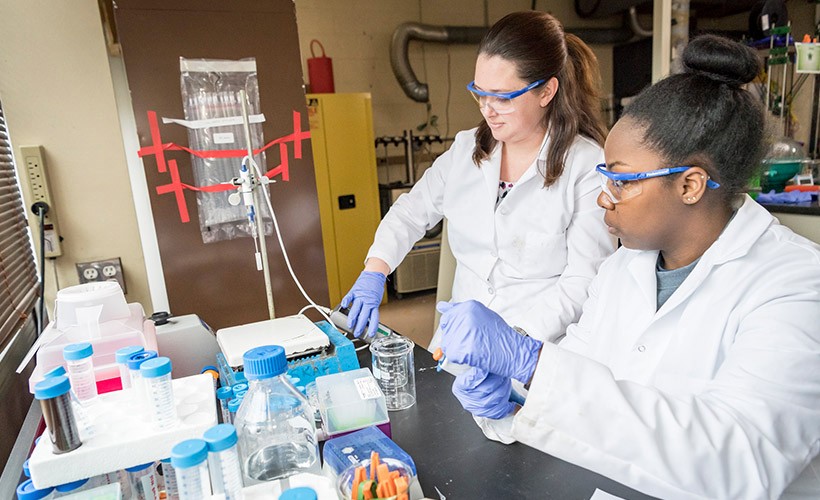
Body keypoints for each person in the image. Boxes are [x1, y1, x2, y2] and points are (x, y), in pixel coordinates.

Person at [437, 35, 820, 499]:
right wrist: (516, 397)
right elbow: (580, 375)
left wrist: (532, 361)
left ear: (691, 185)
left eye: (621, 180)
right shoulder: (625, 268)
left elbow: (741, 461)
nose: (604, 196)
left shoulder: (796, 286)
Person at [341, 11, 614, 346]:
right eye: (480, 93)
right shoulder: (465, 150)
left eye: (503, 97)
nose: (487, 109)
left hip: (536, 347)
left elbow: (583, 279)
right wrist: (375, 270)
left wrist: (512, 341)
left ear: (546, 92)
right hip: (460, 342)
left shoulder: (585, 164)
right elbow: (410, 213)